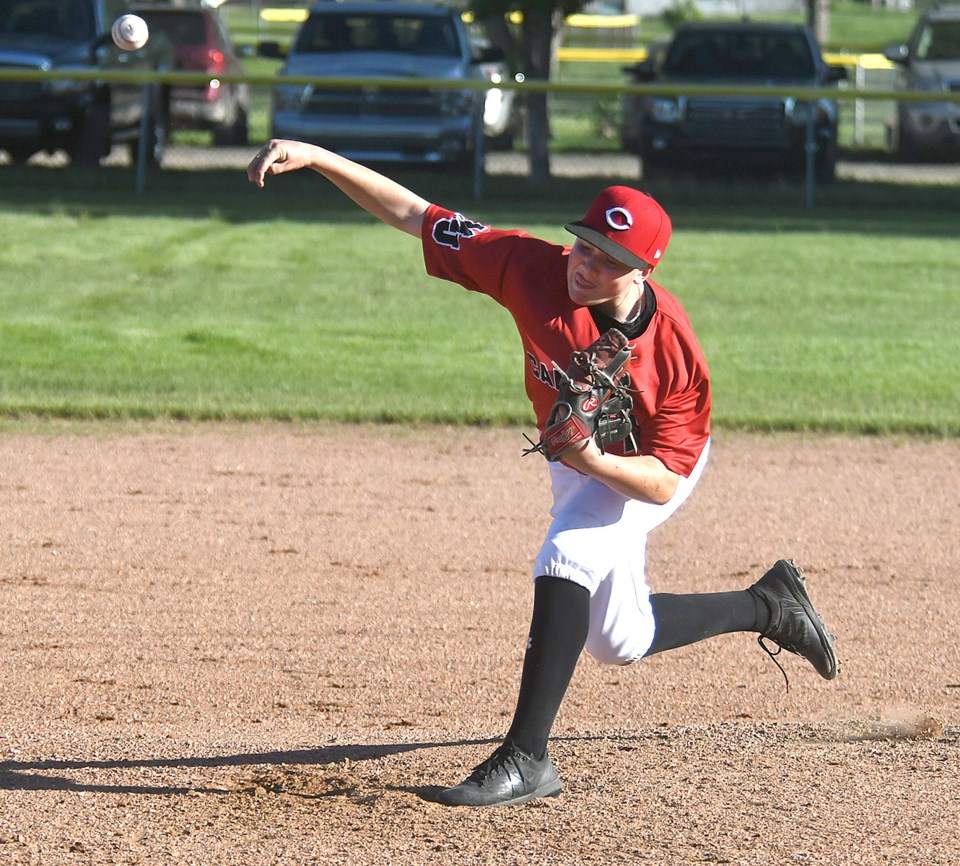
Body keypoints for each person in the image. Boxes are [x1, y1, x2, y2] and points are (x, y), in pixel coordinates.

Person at [246, 140, 839, 808]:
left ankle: (527, 756)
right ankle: (771, 605)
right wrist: (320, 158)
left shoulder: (673, 352)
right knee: (619, 639)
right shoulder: (528, 265)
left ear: (642, 269)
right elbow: (416, 213)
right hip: (578, 458)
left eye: (607, 259)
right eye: (584, 245)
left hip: (646, 466)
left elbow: (666, 482)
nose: (585, 265)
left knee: (566, 557)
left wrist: (593, 461)